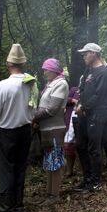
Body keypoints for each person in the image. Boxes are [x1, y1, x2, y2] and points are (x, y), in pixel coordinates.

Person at [0, 44, 34, 212]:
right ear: (23, 64)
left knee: (7, 168)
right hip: (25, 130)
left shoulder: (4, 85)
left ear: (9, 64)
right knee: (20, 166)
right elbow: (33, 108)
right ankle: (18, 204)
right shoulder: (30, 83)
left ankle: (6, 207)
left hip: (7, 131)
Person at [75, 43, 107, 192]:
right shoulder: (88, 71)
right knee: (80, 145)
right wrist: (80, 104)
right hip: (84, 114)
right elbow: (82, 89)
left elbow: (99, 95)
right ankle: (86, 178)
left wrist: (84, 107)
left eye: (85, 53)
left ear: (94, 53)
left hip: (97, 114)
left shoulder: (104, 73)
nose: (83, 56)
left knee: (94, 148)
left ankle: (95, 181)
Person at [32, 58, 69, 204]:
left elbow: (52, 109)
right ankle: (49, 194)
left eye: (46, 69)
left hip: (55, 129)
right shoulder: (50, 84)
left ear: (53, 70)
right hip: (46, 129)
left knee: (55, 162)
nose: (44, 71)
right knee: (49, 163)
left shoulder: (61, 84)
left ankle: (55, 195)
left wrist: (33, 117)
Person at [63, 86, 80, 177]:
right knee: (68, 145)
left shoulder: (87, 89)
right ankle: (69, 170)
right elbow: (66, 99)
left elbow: (77, 101)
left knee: (80, 146)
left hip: (79, 119)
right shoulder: (73, 89)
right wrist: (71, 100)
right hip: (69, 120)